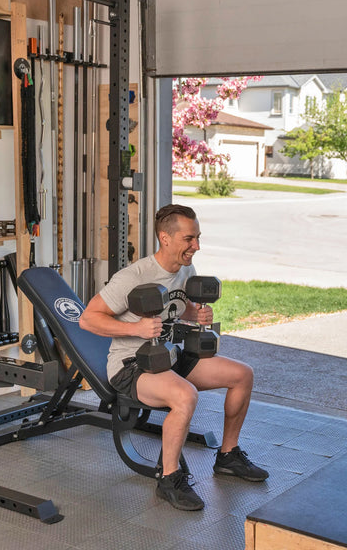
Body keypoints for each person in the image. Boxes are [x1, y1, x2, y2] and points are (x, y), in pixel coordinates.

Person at [79, 203, 268, 511]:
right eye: (189, 239)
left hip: (168, 356)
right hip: (132, 366)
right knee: (185, 396)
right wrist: (137, 328)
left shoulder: (184, 269)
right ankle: (169, 478)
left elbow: (175, 310)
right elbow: (87, 319)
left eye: (197, 238)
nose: (196, 246)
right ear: (165, 238)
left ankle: (228, 455)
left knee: (242, 375)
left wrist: (195, 313)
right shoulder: (133, 276)